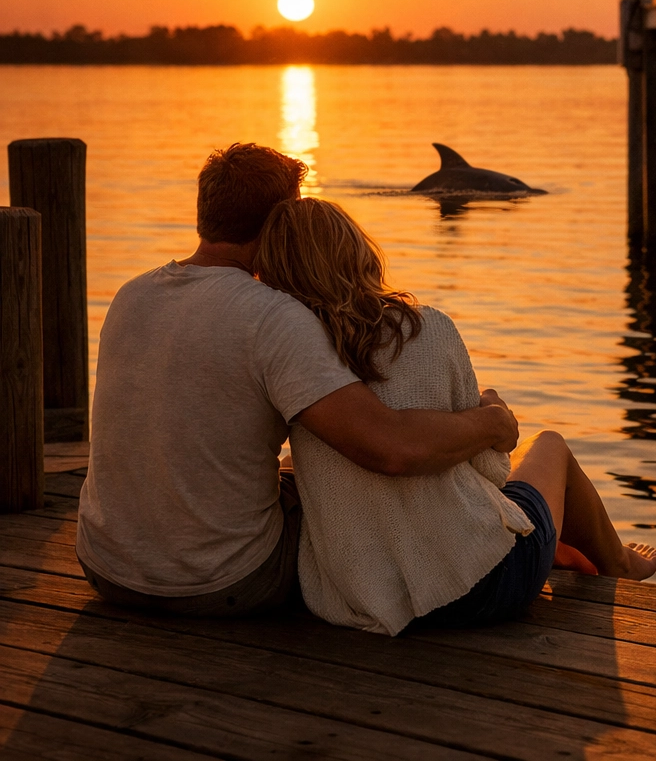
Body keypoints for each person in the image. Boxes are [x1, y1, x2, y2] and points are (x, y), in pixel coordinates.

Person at [76, 143, 518, 617]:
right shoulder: (272, 317)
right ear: (282, 221)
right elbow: (390, 449)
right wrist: (490, 424)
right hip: (225, 581)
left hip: (107, 567)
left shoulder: (132, 294)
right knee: (351, 497)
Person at [255, 196, 656, 636]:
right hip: (481, 586)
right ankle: (618, 562)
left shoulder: (290, 360)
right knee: (551, 447)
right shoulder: (426, 328)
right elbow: (490, 468)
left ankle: (559, 545)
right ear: (357, 252)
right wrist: (490, 411)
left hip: (357, 599)